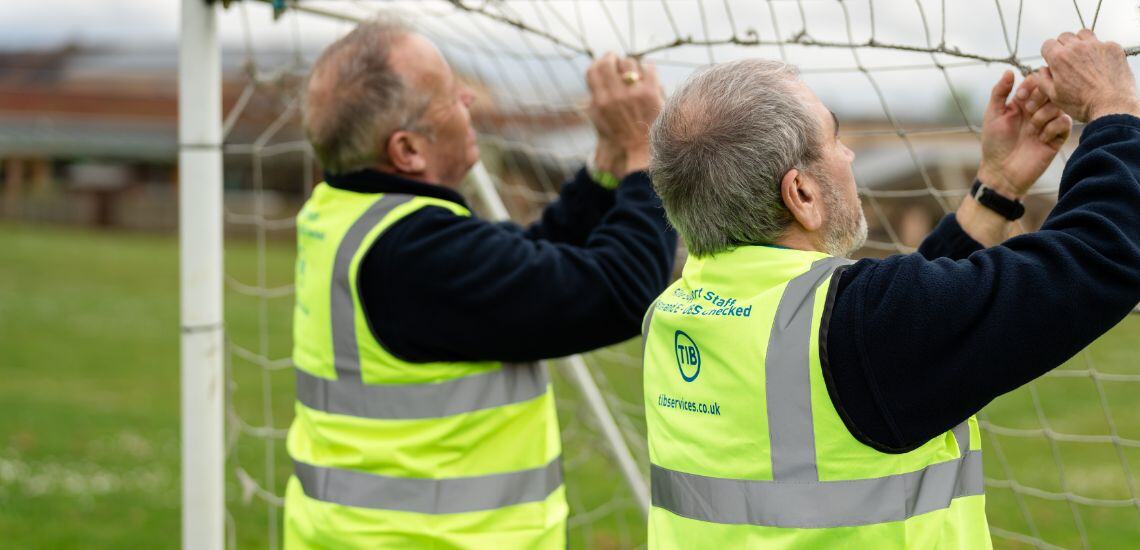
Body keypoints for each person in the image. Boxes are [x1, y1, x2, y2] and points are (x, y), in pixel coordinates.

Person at [642, 29, 1140, 548]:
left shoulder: (672, 313)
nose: (851, 155)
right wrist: (1115, 108)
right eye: (834, 139)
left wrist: (997, 188)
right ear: (802, 193)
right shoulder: (856, 328)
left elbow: (889, 345)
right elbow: (1102, 255)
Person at [284, 20, 676, 548]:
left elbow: (522, 271)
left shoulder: (349, 215)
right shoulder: (414, 252)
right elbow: (619, 291)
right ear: (408, 151)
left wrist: (606, 169)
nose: (468, 97)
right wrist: (641, 153)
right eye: (449, 96)